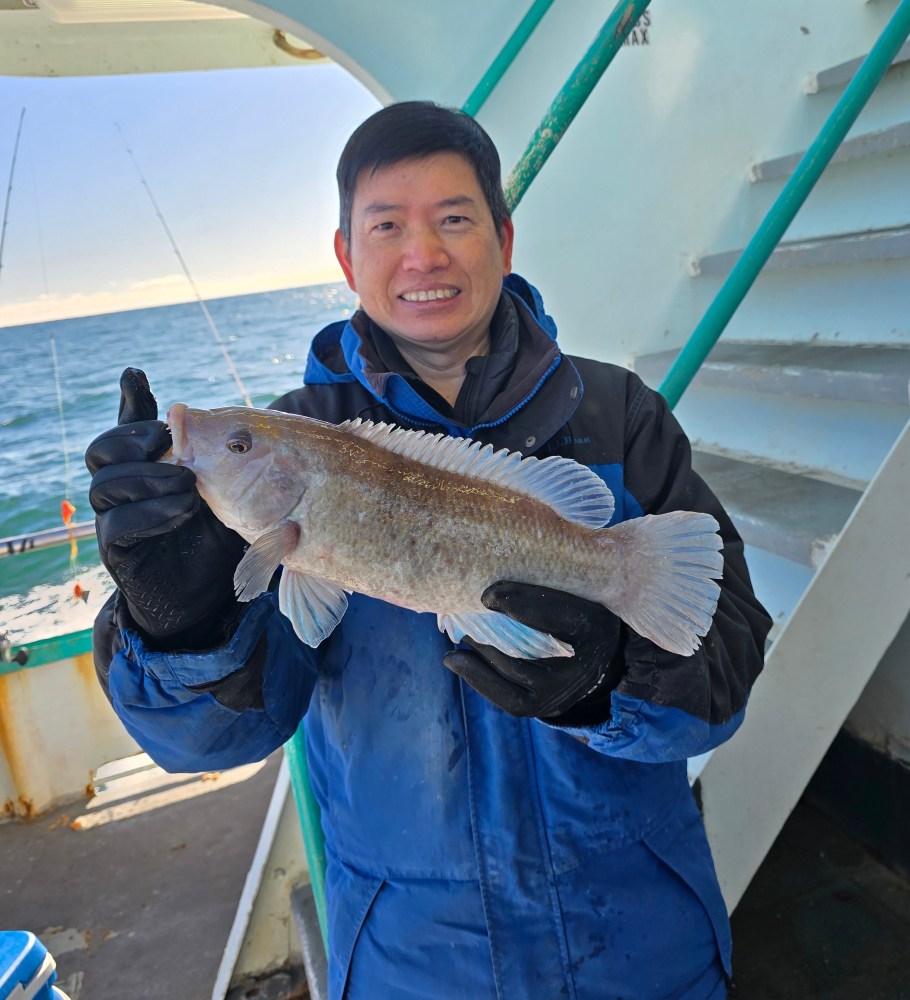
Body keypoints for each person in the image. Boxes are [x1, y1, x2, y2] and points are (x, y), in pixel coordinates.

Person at [85, 101, 772, 999]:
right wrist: (175, 618)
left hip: (644, 949)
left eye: (454, 219)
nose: (424, 254)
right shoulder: (293, 440)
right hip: (414, 961)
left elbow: (722, 673)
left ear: (504, 236)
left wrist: (614, 680)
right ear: (345, 255)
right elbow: (218, 738)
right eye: (387, 225)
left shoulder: (622, 415)